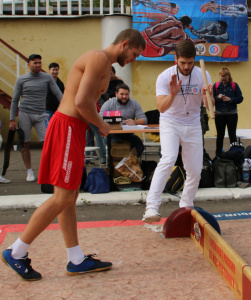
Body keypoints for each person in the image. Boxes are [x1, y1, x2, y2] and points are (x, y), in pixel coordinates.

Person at [1, 29, 146, 281]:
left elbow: (85, 100)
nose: (134, 59)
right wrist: (102, 124)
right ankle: (17, 250)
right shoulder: (99, 58)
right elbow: (81, 102)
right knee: (63, 197)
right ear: (124, 44)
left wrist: (97, 121)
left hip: (73, 128)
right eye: (134, 53)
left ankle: (76, 259)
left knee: (69, 195)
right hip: (68, 125)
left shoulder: (104, 64)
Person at [142, 40, 213, 223]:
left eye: (190, 63)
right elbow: (161, 108)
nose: (187, 67)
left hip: (194, 123)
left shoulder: (203, 75)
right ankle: (151, 207)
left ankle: (186, 204)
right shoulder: (164, 77)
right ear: (176, 59)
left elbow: (209, 108)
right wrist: (172, 94)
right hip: (170, 122)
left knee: (195, 170)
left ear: (194, 60)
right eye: (183, 63)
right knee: (168, 158)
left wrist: (207, 96)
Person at [9, 54, 63, 182]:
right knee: (25, 143)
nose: (38, 65)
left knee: (47, 143)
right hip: (25, 114)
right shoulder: (21, 79)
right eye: (35, 63)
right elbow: (15, 99)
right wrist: (12, 119)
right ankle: (29, 171)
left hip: (41, 114)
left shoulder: (47, 78)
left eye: (39, 63)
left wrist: (65, 108)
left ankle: (49, 170)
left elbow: (58, 93)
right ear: (28, 64)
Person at [100, 83, 147, 156]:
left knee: (139, 146)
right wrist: (113, 123)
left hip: (128, 134)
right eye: (122, 94)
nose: (124, 97)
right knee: (119, 149)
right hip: (112, 134)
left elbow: (144, 120)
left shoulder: (134, 103)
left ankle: (130, 163)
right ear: (116, 94)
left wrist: (135, 122)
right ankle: (118, 165)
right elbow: (100, 119)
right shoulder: (108, 104)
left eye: (126, 94)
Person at [141, 15, 206, 57]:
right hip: (150, 49)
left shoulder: (170, 18)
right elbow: (192, 41)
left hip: (141, 38)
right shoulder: (182, 34)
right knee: (176, 45)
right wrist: (203, 40)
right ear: (187, 25)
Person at [213, 67, 243, 156]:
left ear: (228, 76)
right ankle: (218, 155)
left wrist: (230, 99)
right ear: (219, 76)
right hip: (219, 114)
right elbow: (211, 99)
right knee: (220, 135)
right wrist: (218, 98)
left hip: (232, 114)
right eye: (222, 80)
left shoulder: (234, 85)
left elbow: (240, 98)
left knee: (232, 135)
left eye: (225, 80)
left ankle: (233, 154)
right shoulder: (216, 86)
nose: (224, 81)